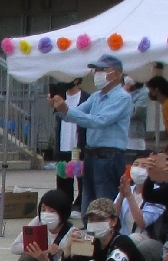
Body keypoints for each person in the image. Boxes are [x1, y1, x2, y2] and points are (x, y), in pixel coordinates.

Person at [51, 56, 133, 207]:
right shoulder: (96, 96)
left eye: (102, 69)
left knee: (104, 203)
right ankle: (90, 227)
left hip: (109, 155)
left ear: (116, 74)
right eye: (96, 70)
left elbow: (99, 121)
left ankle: (106, 229)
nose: (97, 74)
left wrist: (67, 111)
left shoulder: (122, 97)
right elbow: (74, 114)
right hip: (91, 154)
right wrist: (60, 109)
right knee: (88, 201)